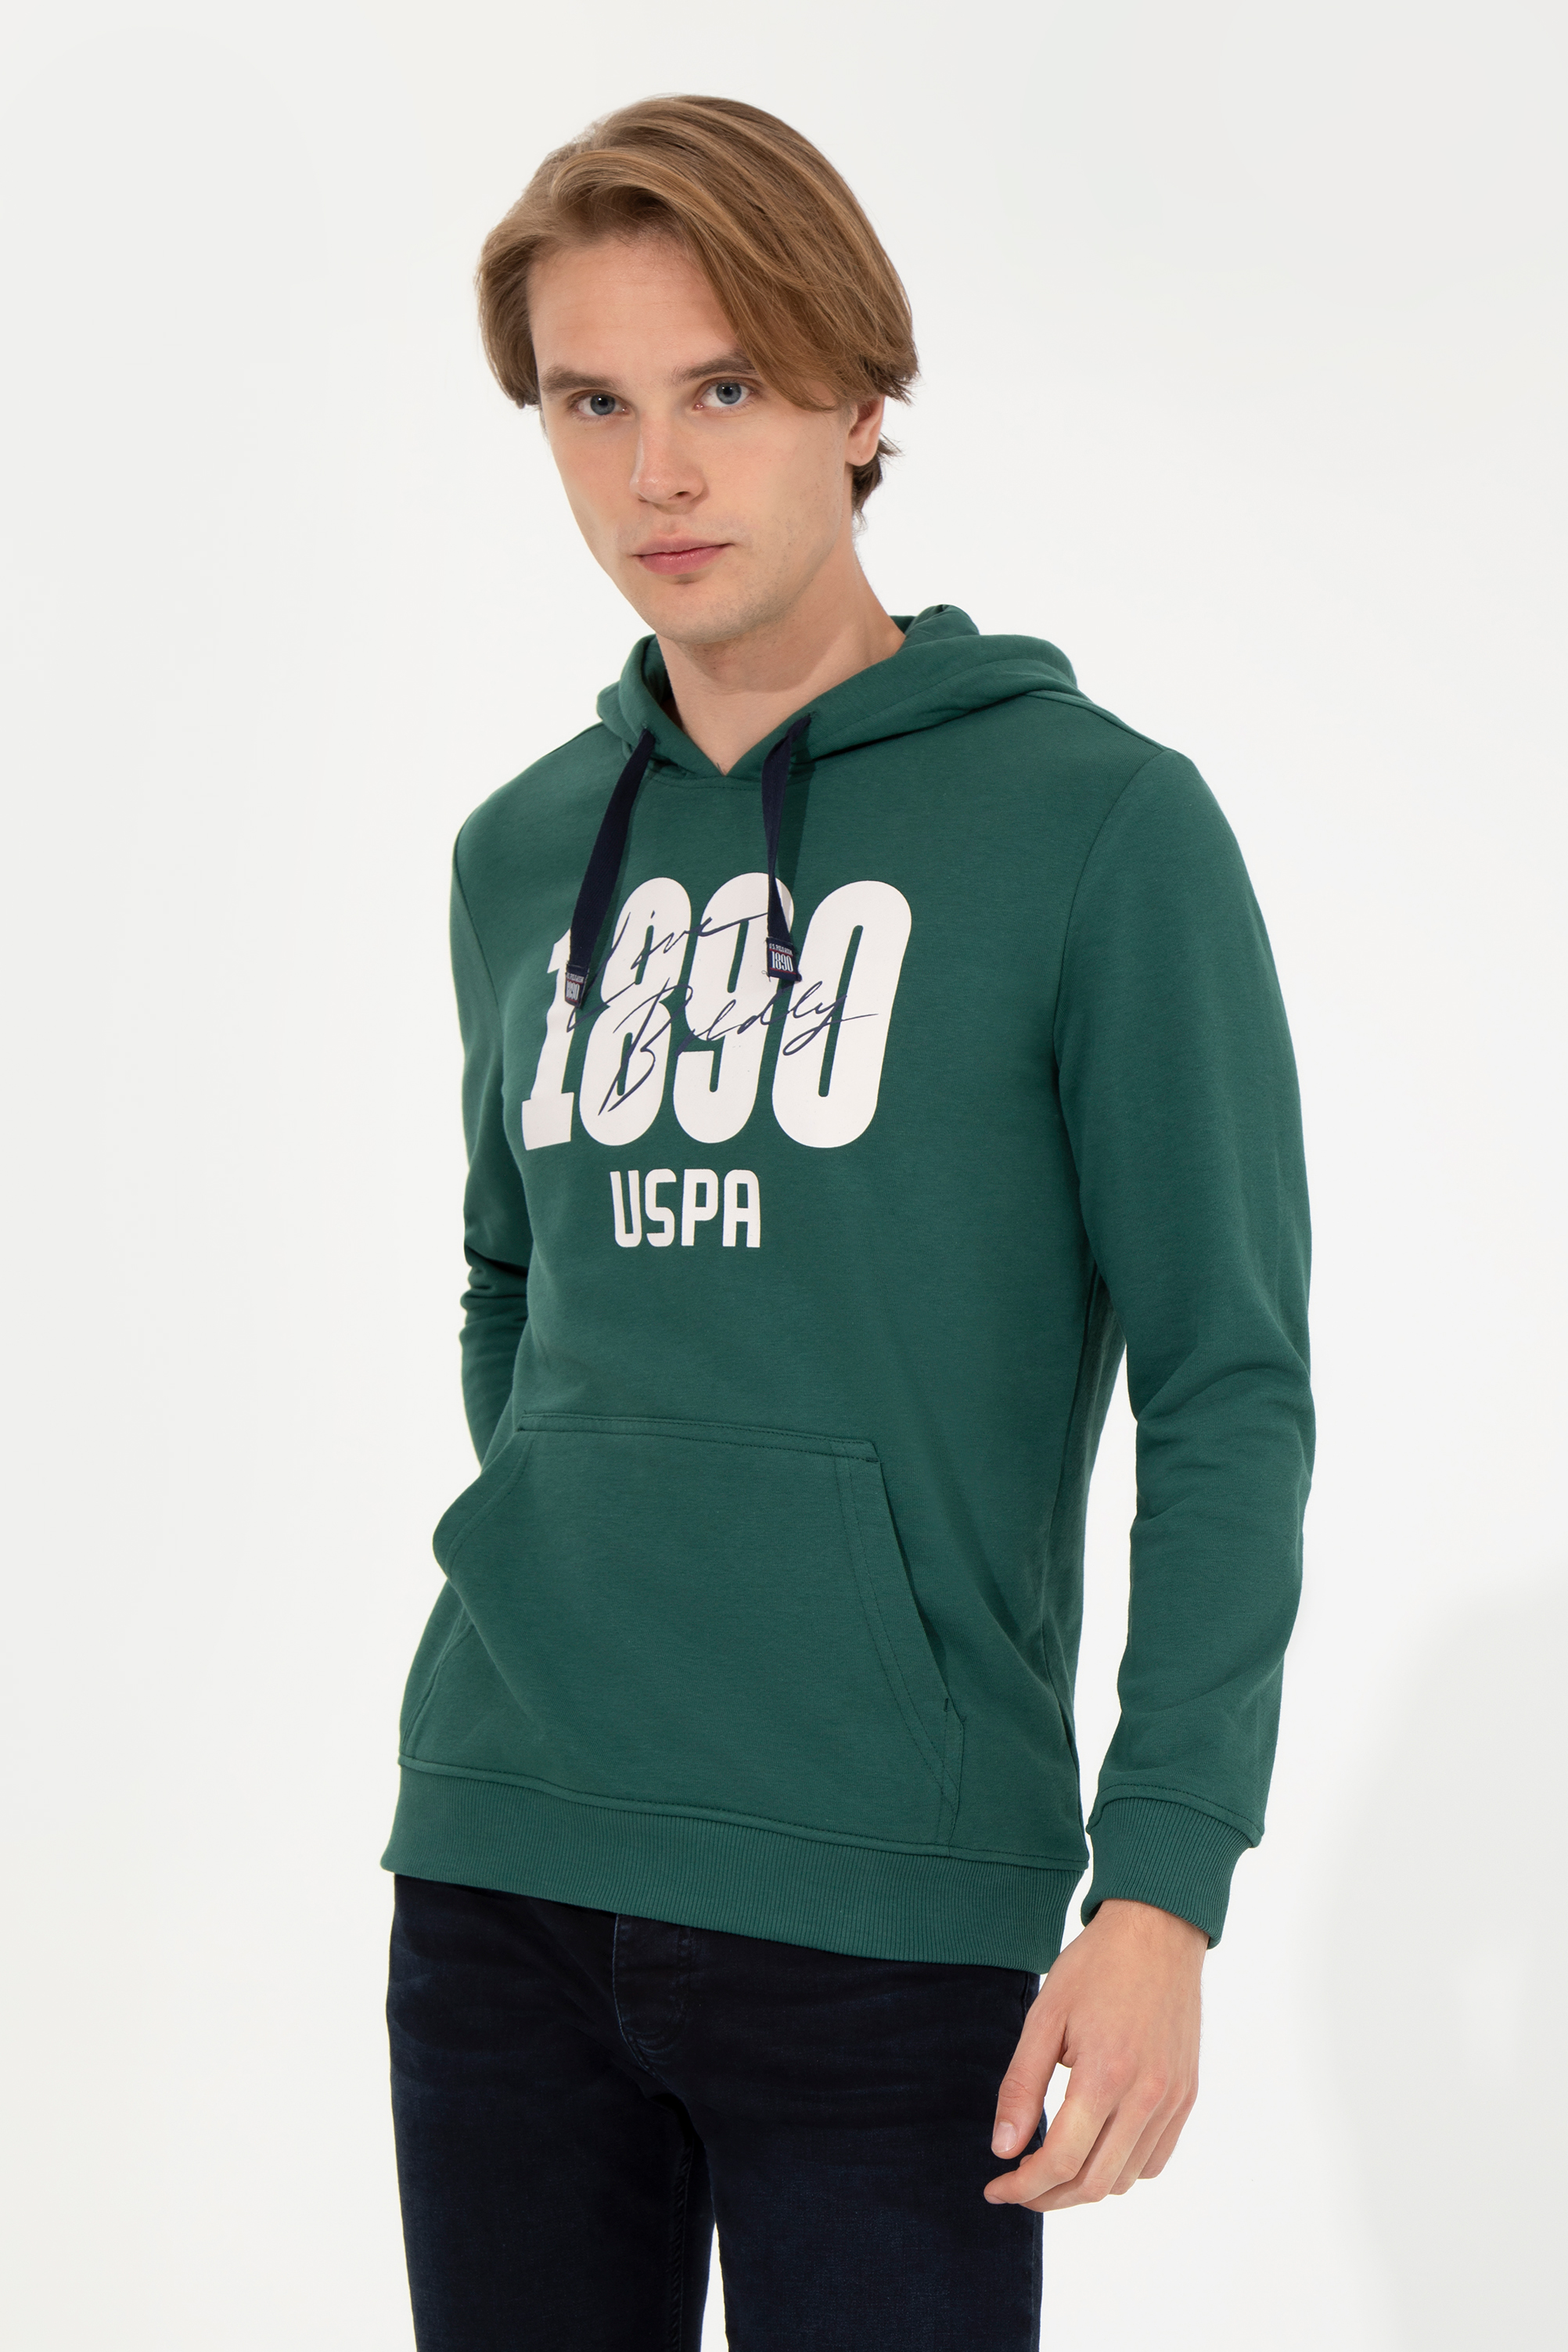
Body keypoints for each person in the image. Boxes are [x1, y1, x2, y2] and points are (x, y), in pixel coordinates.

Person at [382, 94, 1313, 2352]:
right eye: (590, 404)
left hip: (889, 1912)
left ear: (860, 397)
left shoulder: (1098, 829)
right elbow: (514, 1276)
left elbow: (1226, 1384)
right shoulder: (522, 855)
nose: (656, 476)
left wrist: (1163, 1883)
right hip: (503, 1867)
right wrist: (588, 1541)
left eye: (722, 390)